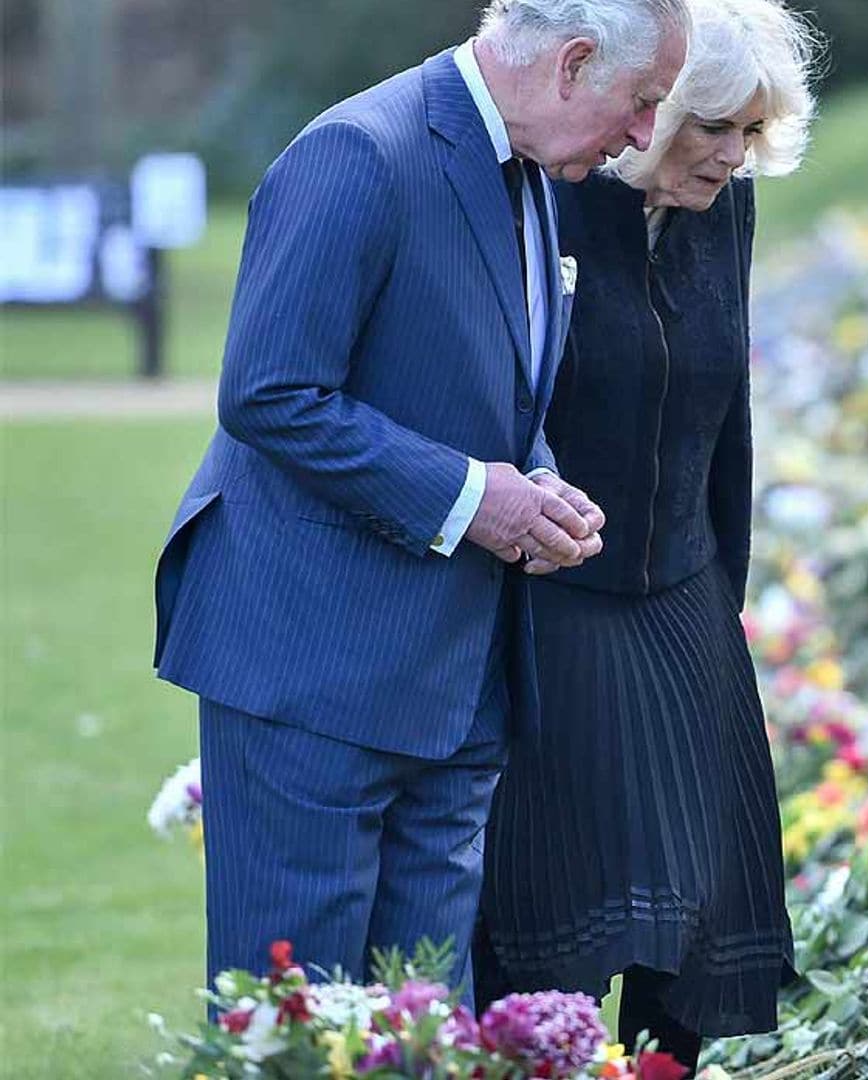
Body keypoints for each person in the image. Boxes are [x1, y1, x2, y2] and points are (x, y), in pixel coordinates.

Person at [153, 0, 689, 1000]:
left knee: (425, 1024)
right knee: (301, 1026)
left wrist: (530, 479)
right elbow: (270, 391)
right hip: (309, 667)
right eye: (643, 101)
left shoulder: (534, 166)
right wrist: (468, 498)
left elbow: (492, 380)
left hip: (457, 681)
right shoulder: (359, 152)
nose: (643, 137)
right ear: (573, 62)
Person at [473, 0, 817, 1065]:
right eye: (712, 126)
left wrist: (728, 600)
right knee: (557, 929)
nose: (732, 155)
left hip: (686, 602)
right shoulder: (545, 198)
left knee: (698, 941)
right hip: (552, 607)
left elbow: (731, 418)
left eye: (751, 132)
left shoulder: (728, 209)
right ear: (649, 108)